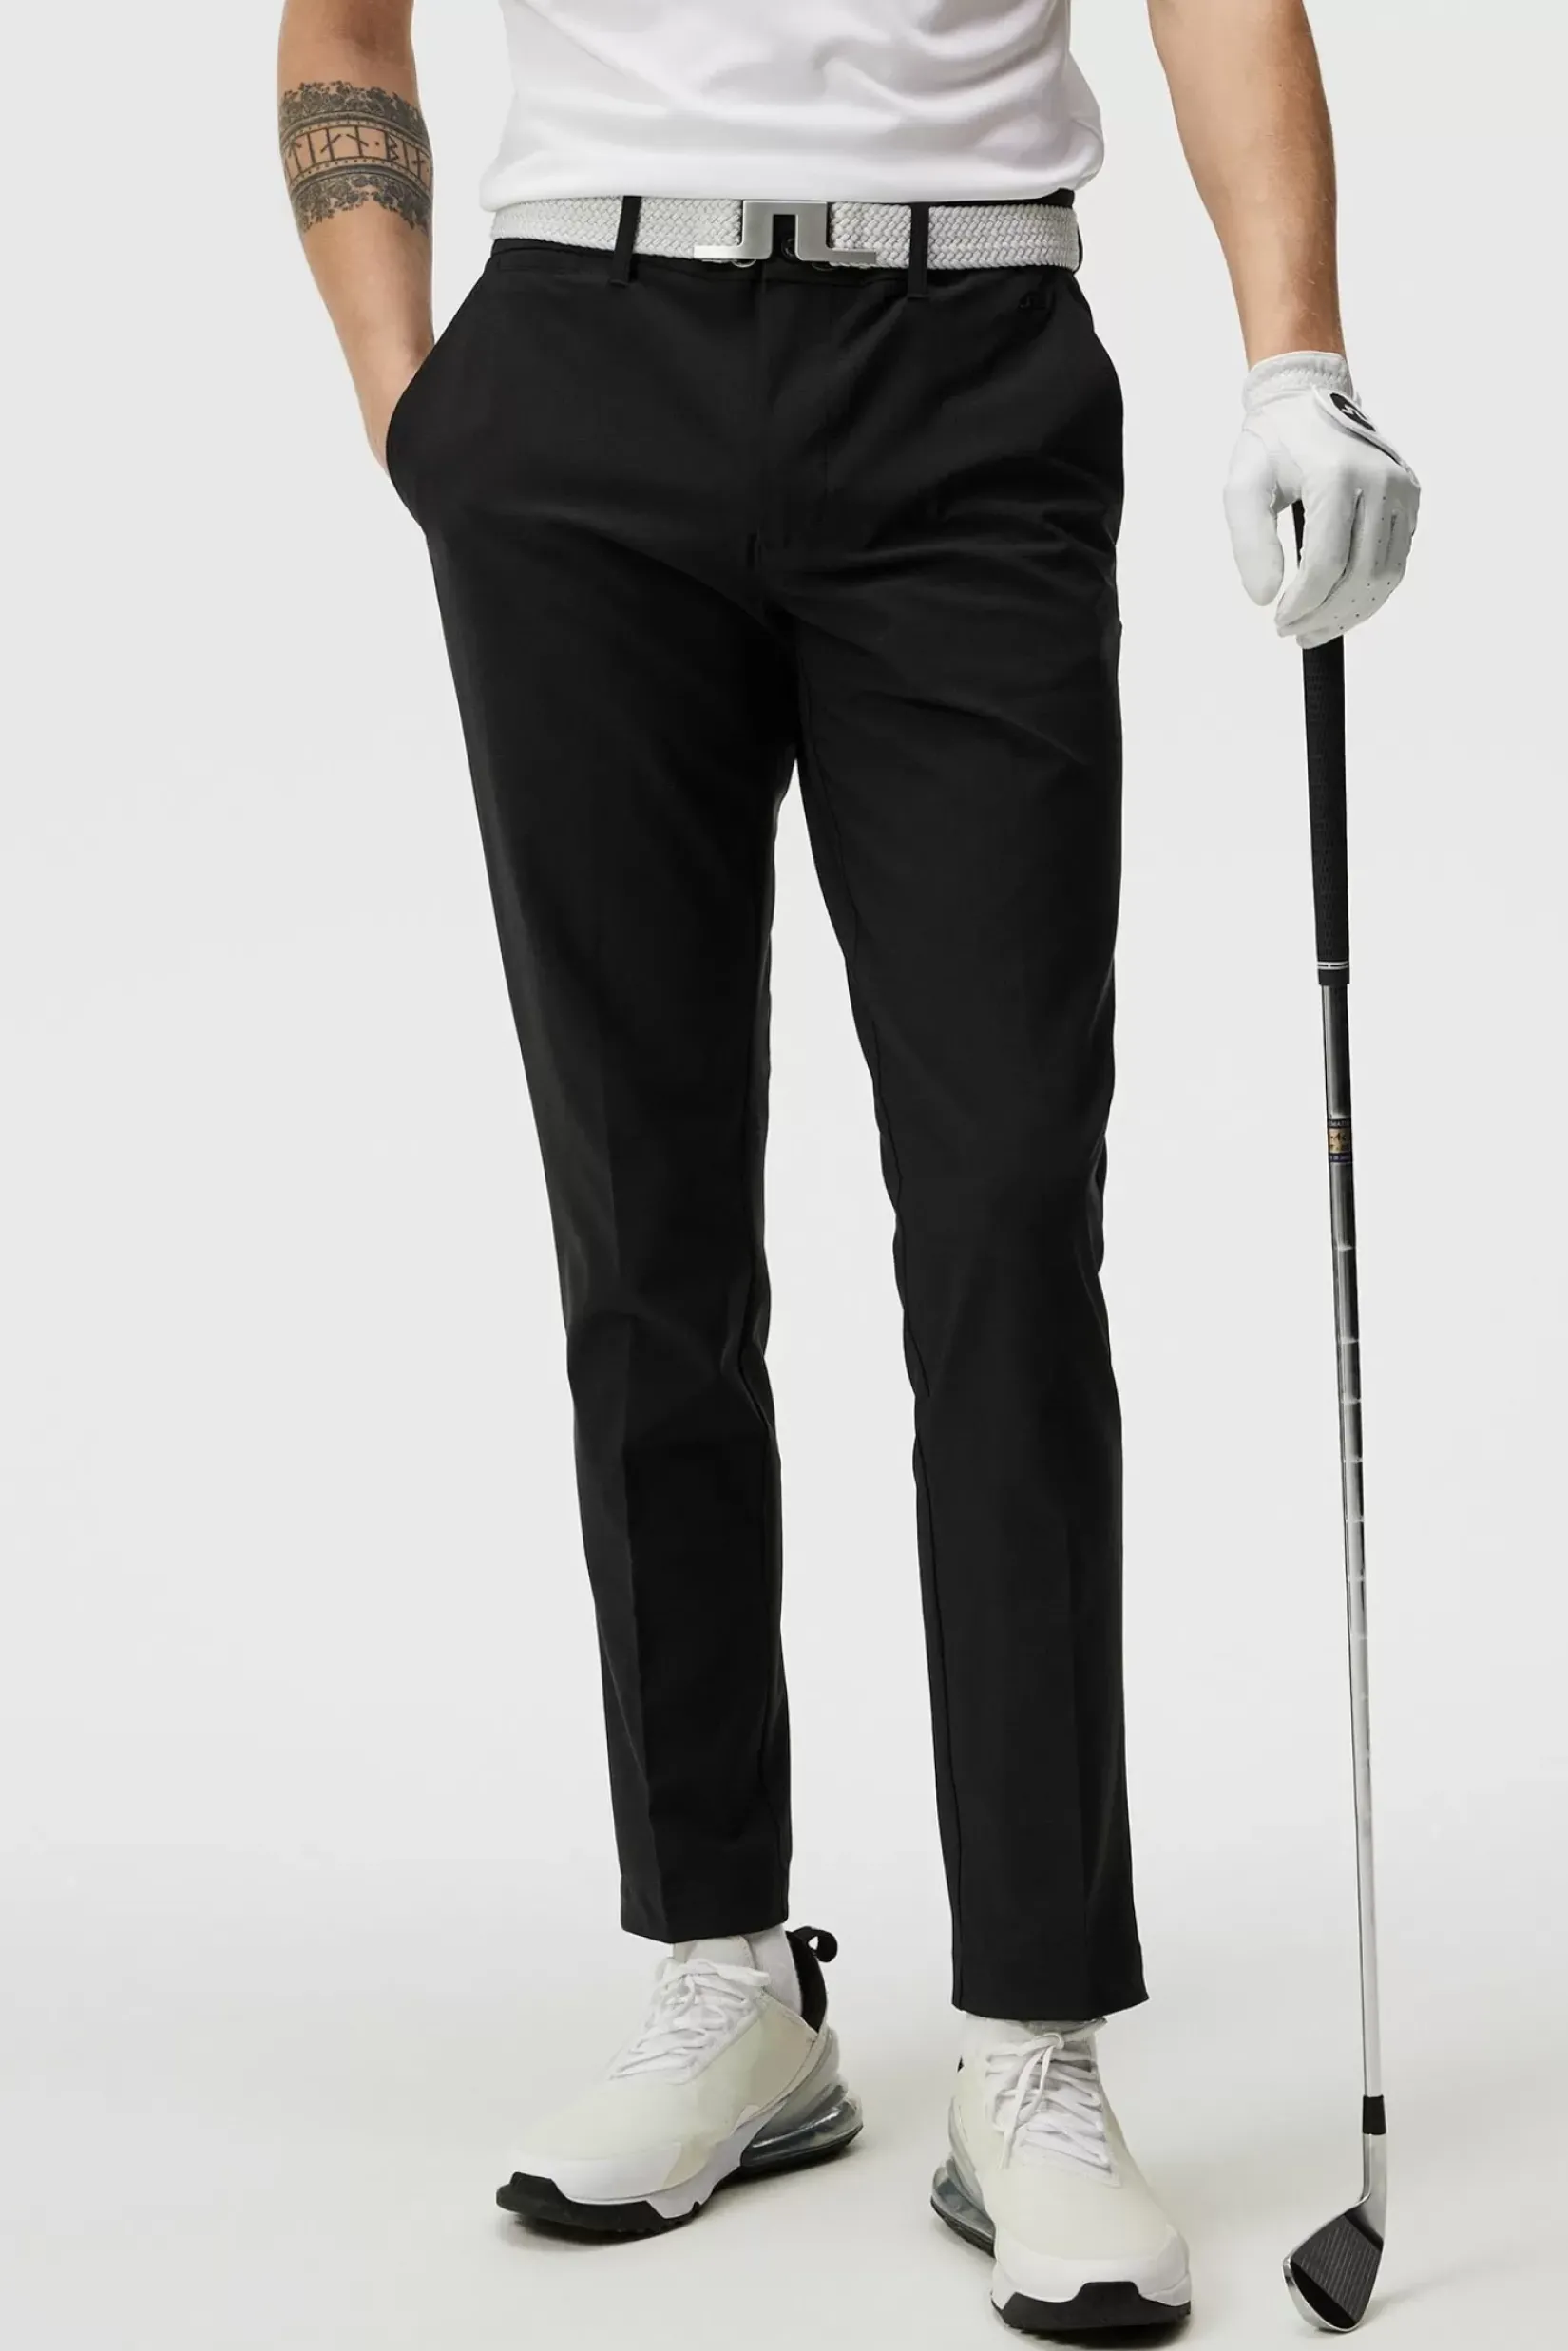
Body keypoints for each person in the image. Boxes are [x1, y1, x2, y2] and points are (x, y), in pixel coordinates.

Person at [277, 1, 1418, 2332]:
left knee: (1004, 1217)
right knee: (646, 1222)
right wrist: (423, 412)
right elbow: (341, 21)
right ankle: (724, 1972)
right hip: (577, 376)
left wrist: (1294, 359)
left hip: (967, 375)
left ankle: (1032, 2036)